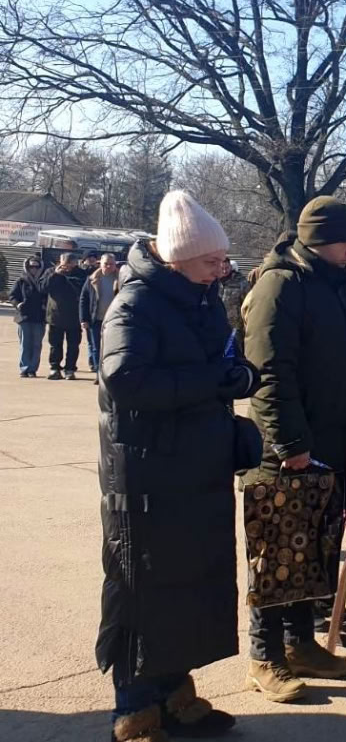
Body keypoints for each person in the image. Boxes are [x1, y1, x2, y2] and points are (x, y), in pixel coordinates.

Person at [97, 191, 258, 742]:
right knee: (144, 588)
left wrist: (240, 377)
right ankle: (136, 709)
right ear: (176, 257)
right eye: (212, 260)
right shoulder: (135, 303)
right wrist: (210, 383)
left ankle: (174, 695)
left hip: (195, 469)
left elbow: (220, 363)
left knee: (189, 585)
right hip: (147, 476)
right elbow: (126, 379)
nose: (222, 269)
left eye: (221, 261)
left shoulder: (202, 298)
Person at [242, 196, 346, 702]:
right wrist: (290, 443)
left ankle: (301, 644)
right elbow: (268, 373)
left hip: (333, 448)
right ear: (321, 238)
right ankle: (265, 657)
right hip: (286, 453)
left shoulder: (342, 284)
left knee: (313, 554)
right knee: (275, 554)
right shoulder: (280, 286)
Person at [40, 252, 86, 380]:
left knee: (73, 345)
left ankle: (70, 369)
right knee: (55, 345)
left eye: (68, 264)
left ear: (74, 263)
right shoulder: (50, 272)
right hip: (55, 316)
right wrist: (56, 275)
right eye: (62, 263)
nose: (65, 267)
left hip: (75, 317)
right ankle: (55, 368)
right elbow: (42, 288)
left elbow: (83, 291)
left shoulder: (81, 274)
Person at [79, 253, 121, 382]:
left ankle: (111, 374)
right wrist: (83, 319)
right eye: (106, 264)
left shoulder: (122, 279)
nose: (108, 266)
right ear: (100, 264)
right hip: (96, 320)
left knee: (113, 349)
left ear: (115, 265)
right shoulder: (92, 279)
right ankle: (99, 374)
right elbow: (83, 299)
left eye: (111, 264)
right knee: (97, 348)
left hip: (115, 321)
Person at [9, 256, 47, 377]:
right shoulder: (21, 280)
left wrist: (45, 305)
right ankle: (24, 368)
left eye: (36, 266)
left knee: (36, 345)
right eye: (31, 266)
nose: (34, 269)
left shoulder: (44, 280)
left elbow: (49, 295)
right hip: (24, 317)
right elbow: (12, 295)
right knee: (25, 344)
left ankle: (32, 369)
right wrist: (18, 304)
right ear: (27, 267)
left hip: (39, 317)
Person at [217, 257, 251, 356]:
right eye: (221, 268)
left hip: (235, 327)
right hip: (217, 324)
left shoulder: (241, 282)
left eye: (226, 268)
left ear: (230, 267)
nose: (224, 271)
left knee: (234, 354)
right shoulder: (212, 281)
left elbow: (248, 304)